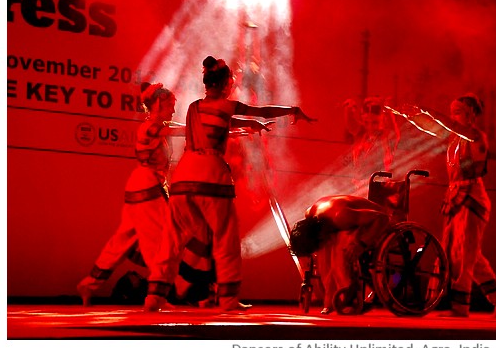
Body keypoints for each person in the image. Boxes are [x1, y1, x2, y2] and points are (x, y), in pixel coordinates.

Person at [144, 55, 316, 312]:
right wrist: (292, 110)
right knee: (225, 239)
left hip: (183, 178)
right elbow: (261, 110)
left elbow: (224, 122)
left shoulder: (193, 107)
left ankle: (153, 298)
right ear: (225, 85)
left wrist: (249, 126)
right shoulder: (226, 105)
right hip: (210, 177)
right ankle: (227, 299)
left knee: (171, 239)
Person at [77, 82, 270, 307]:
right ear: (158, 104)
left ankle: (90, 283)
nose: (173, 109)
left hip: (142, 186)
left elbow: (191, 128)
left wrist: (238, 129)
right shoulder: (150, 127)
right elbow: (188, 128)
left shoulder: (158, 126)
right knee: (160, 242)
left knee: (121, 242)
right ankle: (162, 292)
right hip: (146, 187)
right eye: (170, 105)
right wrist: (236, 127)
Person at [407, 93, 496, 318]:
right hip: (456, 194)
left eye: (458, 112)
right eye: (452, 111)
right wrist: (410, 115)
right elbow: (434, 129)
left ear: (471, 114)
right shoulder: (455, 139)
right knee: (461, 253)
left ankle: (459, 307)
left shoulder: (476, 136)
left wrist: (429, 111)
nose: (454, 116)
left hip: (472, 197)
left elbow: (447, 125)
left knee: (463, 254)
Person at [290, 195, 391, 314]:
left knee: (341, 246)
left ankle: (348, 295)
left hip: (375, 223)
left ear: (319, 233)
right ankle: (331, 298)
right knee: (325, 249)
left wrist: (362, 243)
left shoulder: (341, 216)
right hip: (346, 224)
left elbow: (382, 218)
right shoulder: (310, 214)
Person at [343, 97, 400, 193]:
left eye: (374, 123)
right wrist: (348, 109)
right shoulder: (361, 134)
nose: (370, 127)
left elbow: (393, 131)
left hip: (380, 186)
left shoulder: (386, 137)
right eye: (366, 122)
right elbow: (351, 125)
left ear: (381, 121)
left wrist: (388, 109)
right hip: (359, 185)